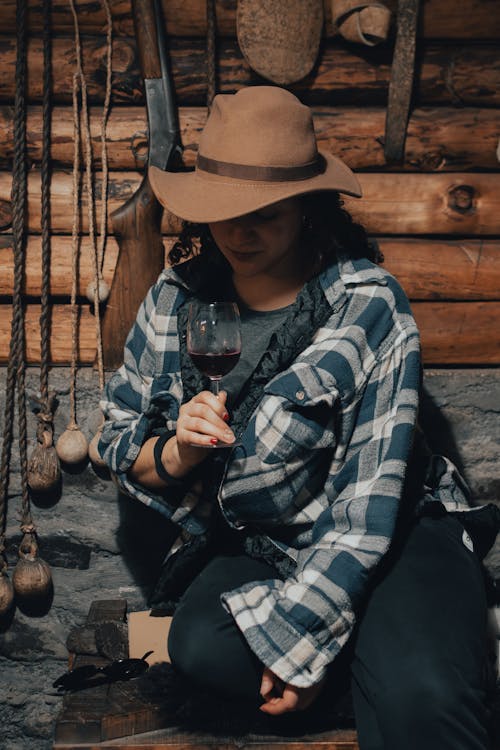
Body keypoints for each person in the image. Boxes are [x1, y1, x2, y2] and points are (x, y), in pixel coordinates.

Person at [98, 86, 498, 749]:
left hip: (390, 528)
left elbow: (368, 500)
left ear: (309, 209)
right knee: (198, 645)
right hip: (264, 542)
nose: (240, 232)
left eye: (266, 213)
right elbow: (119, 438)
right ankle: (398, 646)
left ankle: (415, 649)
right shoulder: (175, 299)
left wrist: (303, 641)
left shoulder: (368, 306)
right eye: (226, 211)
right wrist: (177, 453)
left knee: (424, 703)